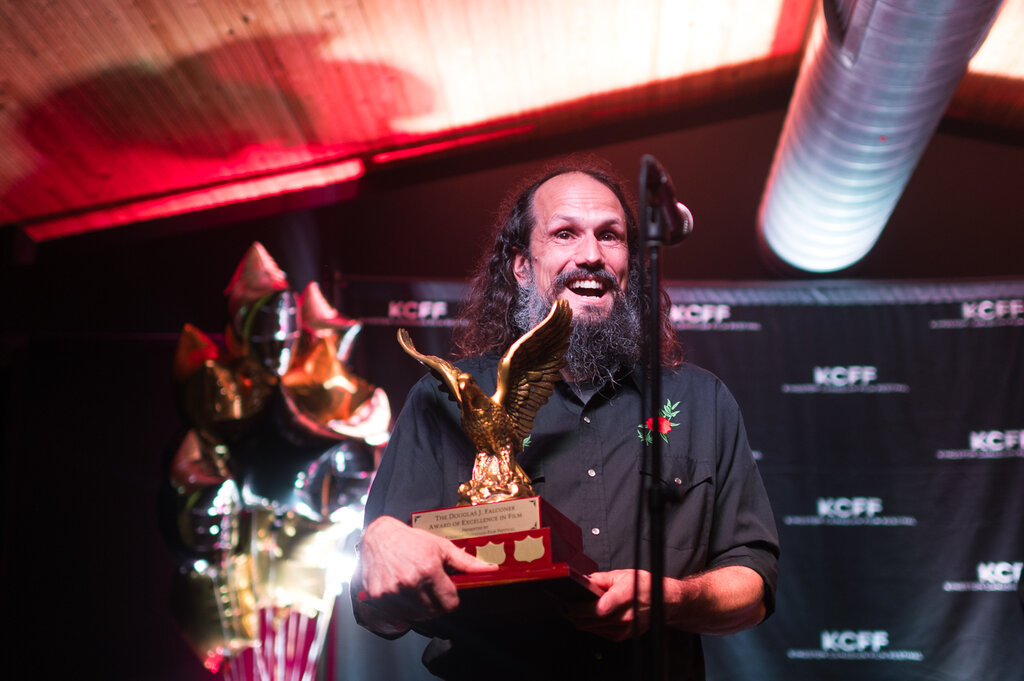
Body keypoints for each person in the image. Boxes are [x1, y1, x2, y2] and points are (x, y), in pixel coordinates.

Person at [352, 156, 779, 680]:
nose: (591, 255)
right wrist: (375, 549)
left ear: (631, 262)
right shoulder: (441, 400)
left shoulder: (702, 400)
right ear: (521, 266)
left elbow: (753, 585)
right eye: (564, 234)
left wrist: (673, 597)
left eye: (610, 236)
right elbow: (376, 613)